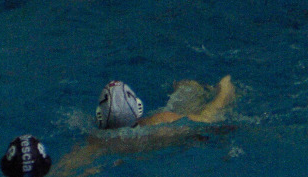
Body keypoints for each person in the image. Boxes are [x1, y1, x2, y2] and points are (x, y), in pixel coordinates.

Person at [48, 76, 236, 177]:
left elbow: (64, 169)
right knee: (189, 88)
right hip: (175, 141)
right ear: (138, 108)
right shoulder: (163, 122)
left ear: (99, 116)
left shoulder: (97, 142)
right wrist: (225, 89)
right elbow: (210, 117)